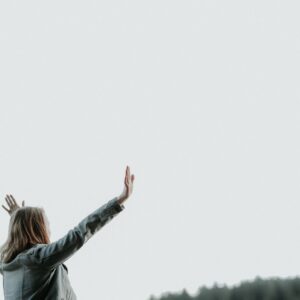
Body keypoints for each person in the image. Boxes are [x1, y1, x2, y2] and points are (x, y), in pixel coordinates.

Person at [0, 166, 135, 300]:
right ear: (37, 228)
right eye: (47, 223)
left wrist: (18, 218)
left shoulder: (7, 266)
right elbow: (80, 233)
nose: (49, 229)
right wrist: (118, 201)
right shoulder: (40, 258)